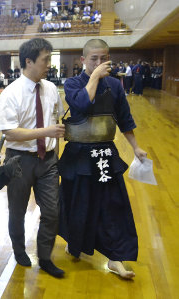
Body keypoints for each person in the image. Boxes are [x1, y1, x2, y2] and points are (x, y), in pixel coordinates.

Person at [60, 39, 146, 279]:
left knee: (113, 205)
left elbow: (125, 119)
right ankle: (75, 244)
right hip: (78, 155)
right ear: (83, 60)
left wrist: (136, 147)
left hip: (105, 154)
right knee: (78, 204)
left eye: (103, 58)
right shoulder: (72, 83)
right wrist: (95, 77)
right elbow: (81, 105)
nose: (99, 63)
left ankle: (115, 258)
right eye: (94, 59)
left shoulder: (115, 86)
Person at [0, 38, 65, 278]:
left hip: (48, 160)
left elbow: (56, 118)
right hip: (19, 161)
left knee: (52, 211)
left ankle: (45, 257)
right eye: (46, 60)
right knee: (17, 210)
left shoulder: (52, 89)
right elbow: (9, 131)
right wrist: (46, 131)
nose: (49, 64)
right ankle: (18, 249)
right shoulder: (10, 93)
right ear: (28, 61)